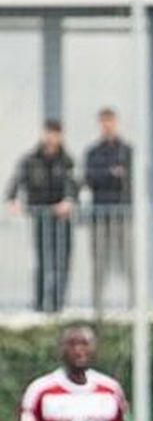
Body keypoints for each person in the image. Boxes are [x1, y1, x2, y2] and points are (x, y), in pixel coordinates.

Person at [5, 120, 77, 313]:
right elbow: (16, 180)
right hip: (40, 217)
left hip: (62, 220)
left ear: (61, 136)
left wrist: (68, 200)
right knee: (43, 261)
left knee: (62, 261)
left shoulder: (67, 161)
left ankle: (58, 304)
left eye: (55, 134)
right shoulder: (31, 159)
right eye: (49, 133)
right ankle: (40, 303)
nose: (51, 138)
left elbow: (74, 185)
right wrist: (12, 199)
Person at [84, 108, 132, 313]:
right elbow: (90, 179)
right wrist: (112, 174)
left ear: (116, 123)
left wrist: (108, 175)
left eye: (110, 121)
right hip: (100, 216)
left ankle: (134, 304)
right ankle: (98, 307)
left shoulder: (127, 151)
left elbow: (131, 179)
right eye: (103, 122)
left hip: (123, 214)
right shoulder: (93, 153)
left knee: (128, 260)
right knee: (99, 262)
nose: (107, 126)